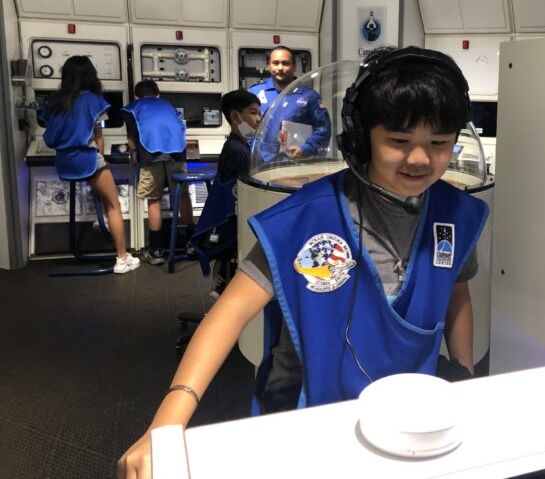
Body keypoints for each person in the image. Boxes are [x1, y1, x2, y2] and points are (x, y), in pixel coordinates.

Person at [117, 46, 488, 478]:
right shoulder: (307, 218)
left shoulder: (454, 213)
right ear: (361, 136)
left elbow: (456, 296)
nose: (421, 159)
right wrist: (166, 422)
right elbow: (229, 313)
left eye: (438, 143)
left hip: (405, 407)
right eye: (400, 141)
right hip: (309, 405)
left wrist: (464, 382)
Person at [40, 55, 140, 274]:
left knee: (104, 180)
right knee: (114, 204)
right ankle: (122, 258)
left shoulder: (55, 102)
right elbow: (99, 137)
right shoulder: (94, 101)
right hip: (86, 159)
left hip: (64, 162)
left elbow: (51, 133)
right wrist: (100, 158)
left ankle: (101, 218)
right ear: (90, 75)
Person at [122, 80, 193, 266]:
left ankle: (156, 251)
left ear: (136, 97)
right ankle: (192, 244)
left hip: (150, 155)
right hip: (177, 154)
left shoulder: (133, 108)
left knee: (154, 200)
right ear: (158, 95)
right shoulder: (168, 106)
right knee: (182, 196)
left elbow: (132, 143)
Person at [205, 89, 261, 297]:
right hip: (233, 227)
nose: (258, 119)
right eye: (253, 113)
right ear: (236, 116)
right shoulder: (237, 151)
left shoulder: (238, 145)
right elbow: (238, 193)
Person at [248, 46, 331, 162]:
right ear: (269, 65)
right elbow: (246, 128)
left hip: (296, 163)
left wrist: (305, 149)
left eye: (285, 63)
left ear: (294, 66)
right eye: (275, 63)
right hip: (260, 164)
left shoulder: (310, 97)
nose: (280, 68)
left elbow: (323, 130)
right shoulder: (254, 93)